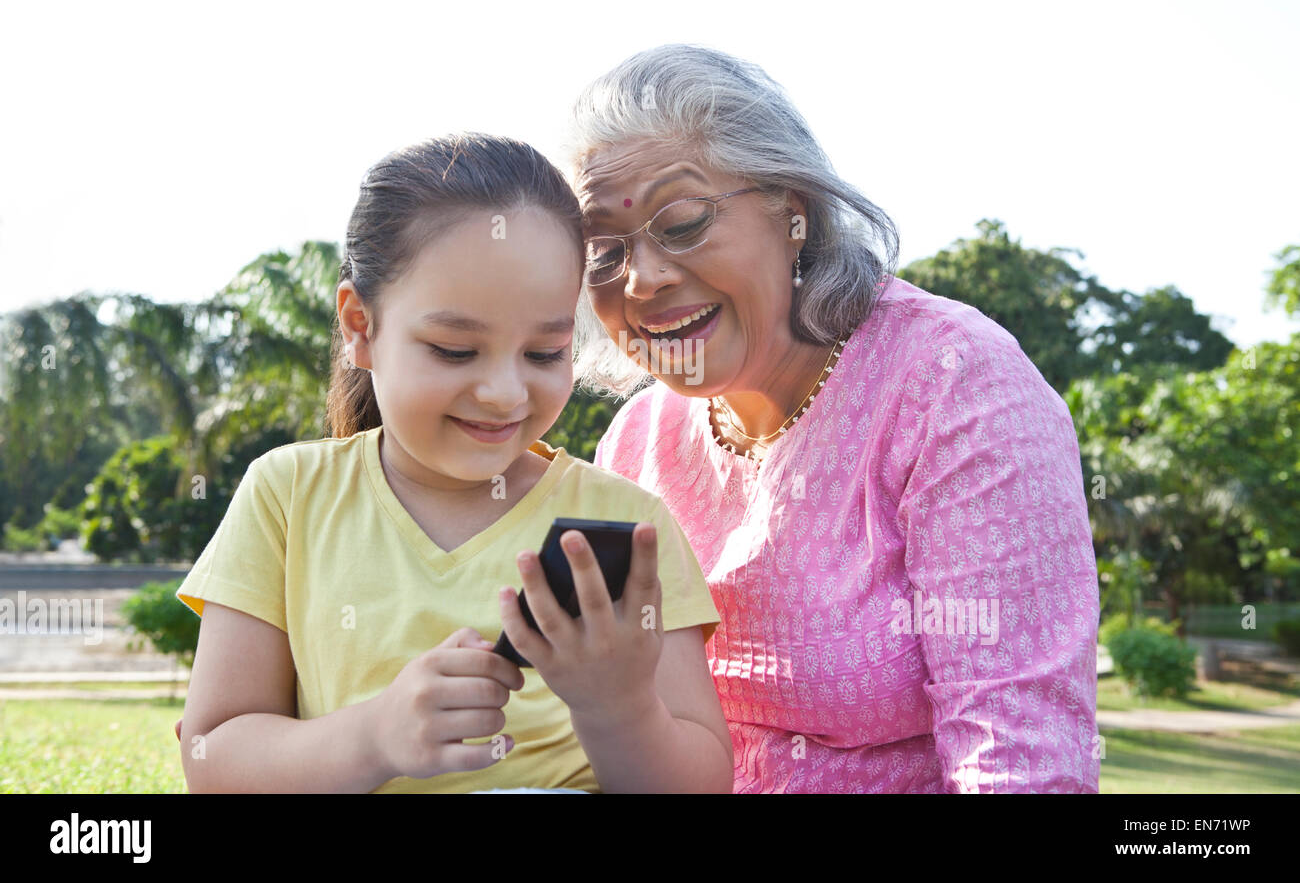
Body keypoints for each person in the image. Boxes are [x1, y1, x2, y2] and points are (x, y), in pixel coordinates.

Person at [565, 45, 1102, 792]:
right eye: (603, 250)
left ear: (794, 212)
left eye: (682, 223)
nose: (644, 277)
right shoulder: (635, 442)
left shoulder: (953, 383)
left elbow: (1018, 753)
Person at [174, 133, 732, 793]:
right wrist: (377, 735)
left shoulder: (625, 524)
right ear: (360, 327)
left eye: (545, 353)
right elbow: (212, 757)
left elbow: (700, 784)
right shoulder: (289, 494)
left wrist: (618, 709)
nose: (504, 393)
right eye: (455, 351)